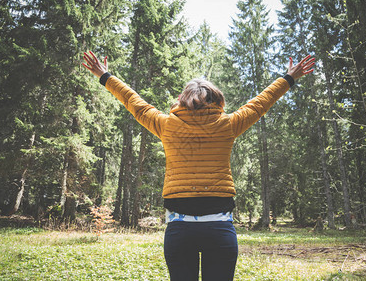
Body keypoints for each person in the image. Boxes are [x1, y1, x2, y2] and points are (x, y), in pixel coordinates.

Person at [82, 51, 315, 281]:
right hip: (220, 227)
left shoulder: (166, 125)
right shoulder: (228, 124)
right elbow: (260, 104)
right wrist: (288, 78)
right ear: (216, 99)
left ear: (183, 100)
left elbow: (136, 104)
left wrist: (105, 76)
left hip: (179, 229)